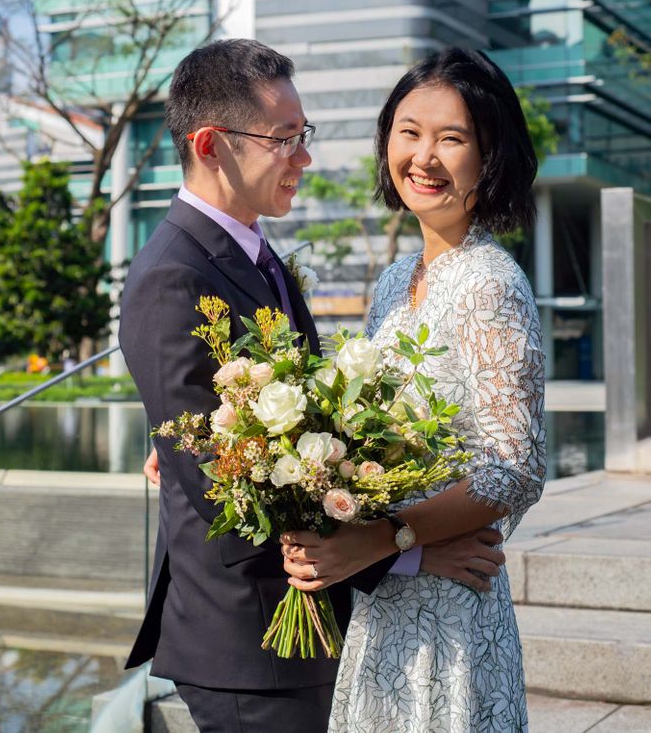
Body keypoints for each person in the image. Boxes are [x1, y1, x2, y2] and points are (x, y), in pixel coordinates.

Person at [123, 39, 508, 733]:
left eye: (306, 136)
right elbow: (225, 488)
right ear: (211, 144)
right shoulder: (172, 277)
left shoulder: (255, 252)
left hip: (307, 626)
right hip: (252, 641)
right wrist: (409, 553)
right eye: (285, 139)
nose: (305, 157)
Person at [281, 47, 546, 732]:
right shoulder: (396, 281)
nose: (423, 157)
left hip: (452, 613)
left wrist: (386, 537)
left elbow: (513, 467)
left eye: (452, 138)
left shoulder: (491, 283)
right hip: (390, 600)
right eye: (409, 131)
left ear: (490, 158)